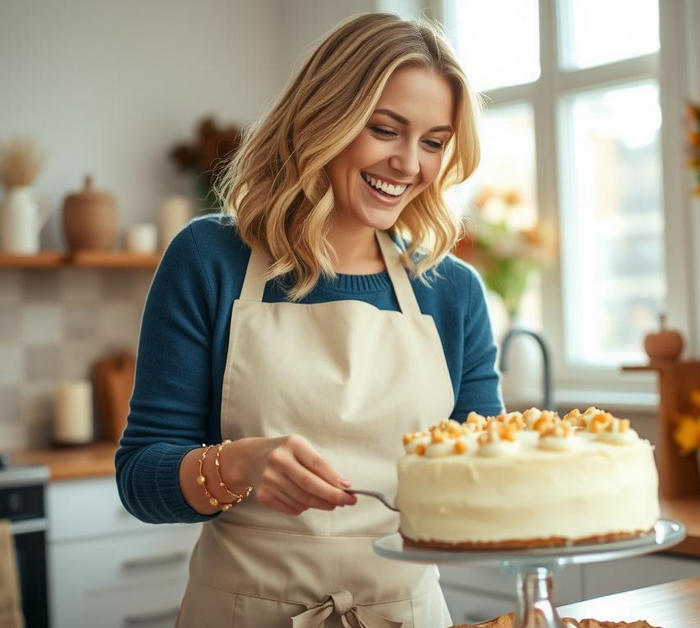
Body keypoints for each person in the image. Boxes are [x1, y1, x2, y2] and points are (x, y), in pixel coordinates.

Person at [115, 12, 503, 628]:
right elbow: (140, 476)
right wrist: (239, 465)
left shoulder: (451, 292)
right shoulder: (208, 260)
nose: (408, 163)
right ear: (326, 116)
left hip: (406, 614)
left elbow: (483, 478)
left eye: (433, 141)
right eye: (385, 129)